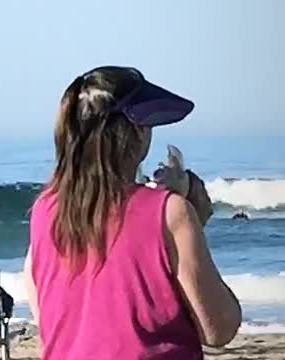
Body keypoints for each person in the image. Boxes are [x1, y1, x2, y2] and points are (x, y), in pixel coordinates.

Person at [24, 66, 241, 359]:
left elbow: (47, 313)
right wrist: (192, 221)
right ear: (137, 131)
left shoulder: (45, 210)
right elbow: (219, 329)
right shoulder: (169, 212)